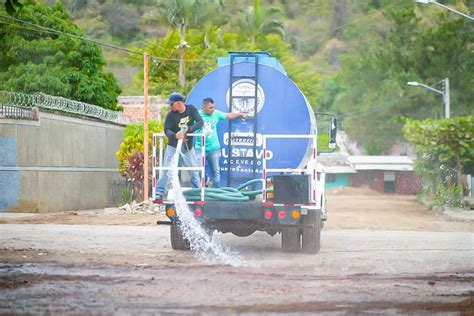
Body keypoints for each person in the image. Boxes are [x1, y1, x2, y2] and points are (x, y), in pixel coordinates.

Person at [155, 93, 204, 200]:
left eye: (171, 104)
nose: (170, 106)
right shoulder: (171, 115)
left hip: (187, 146)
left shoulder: (191, 109)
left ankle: (197, 192)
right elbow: (166, 129)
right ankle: (159, 192)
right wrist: (174, 135)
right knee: (166, 168)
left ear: (178, 103)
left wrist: (189, 129)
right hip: (173, 145)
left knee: (193, 169)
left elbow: (200, 122)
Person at [195, 97, 247, 188]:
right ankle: (200, 189)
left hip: (214, 149)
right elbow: (186, 125)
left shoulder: (216, 114)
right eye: (210, 108)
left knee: (216, 172)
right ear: (204, 107)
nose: (213, 110)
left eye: (213, 107)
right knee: (198, 170)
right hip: (200, 148)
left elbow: (228, 115)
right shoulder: (197, 115)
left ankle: (216, 191)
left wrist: (240, 114)